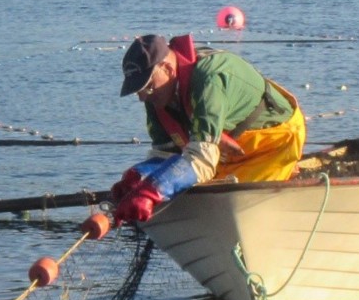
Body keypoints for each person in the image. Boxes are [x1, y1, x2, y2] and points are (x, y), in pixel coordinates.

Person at [109, 33, 307, 224]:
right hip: (221, 150)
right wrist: (137, 177)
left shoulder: (208, 80)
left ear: (168, 69)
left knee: (236, 206)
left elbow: (202, 160)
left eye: (147, 87)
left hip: (273, 143)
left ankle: (290, 169)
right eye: (138, 90)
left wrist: (151, 191)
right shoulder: (156, 97)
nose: (143, 97)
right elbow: (167, 155)